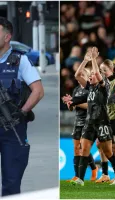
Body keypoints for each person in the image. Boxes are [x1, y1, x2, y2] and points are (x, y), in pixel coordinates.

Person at [0, 17, 44, 196]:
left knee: (11, 182)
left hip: (11, 127)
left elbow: (38, 91)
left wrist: (21, 112)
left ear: (7, 36)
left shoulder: (20, 60)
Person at [70, 47, 115, 186]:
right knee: (84, 149)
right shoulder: (90, 87)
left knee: (108, 151)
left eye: (92, 74)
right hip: (89, 121)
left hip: (102, 122)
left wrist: (94, 59)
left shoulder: (103, 86)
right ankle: (81, 179)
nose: (90, 76)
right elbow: (77, 75)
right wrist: (85, 60)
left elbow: (97, 73)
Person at [62, 68, 98, 182]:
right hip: (77, 121)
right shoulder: (76, 90)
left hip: (88, 121)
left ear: (87, 76)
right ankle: (77, 175)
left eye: (83, 74)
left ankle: (93, 168)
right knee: (76, 149)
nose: (80, 77)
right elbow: (72, 108)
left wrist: (75, 103)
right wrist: (69, 103)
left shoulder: (91, 89)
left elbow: (90, 106)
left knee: (83, 148)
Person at [95, 59, 115, 183]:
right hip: (106, 116)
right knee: (103, 144)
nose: (103, 72)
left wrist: (104, 100)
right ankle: (108, 174)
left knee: (109, 145)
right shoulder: (104, 82)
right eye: (101, 70)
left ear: (112, 69)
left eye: (105, 70)